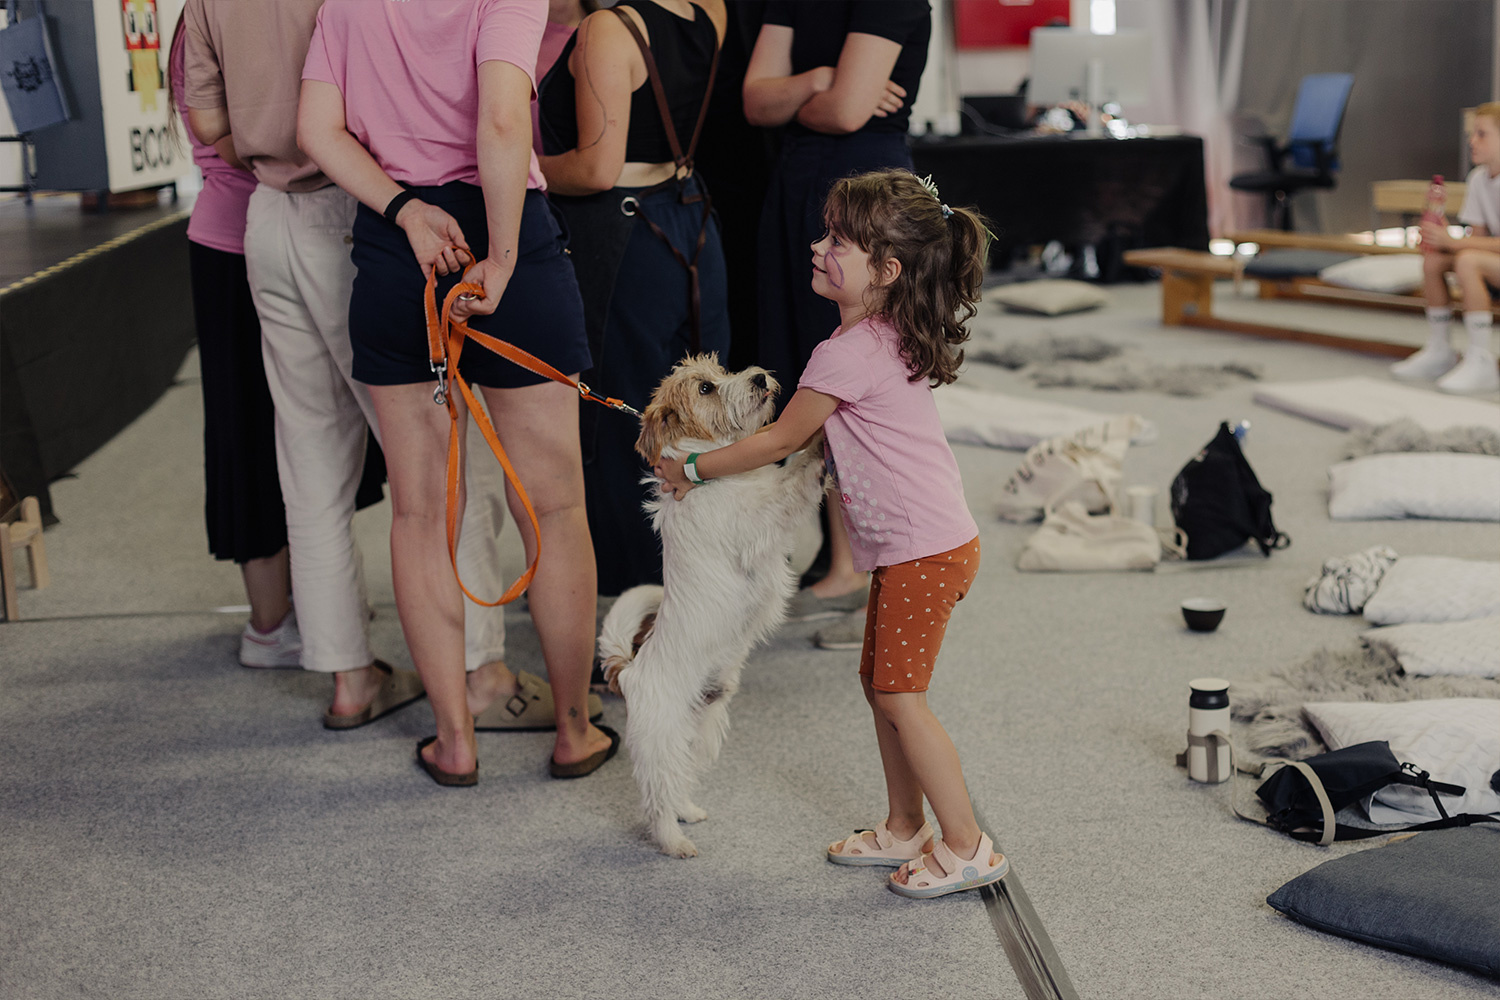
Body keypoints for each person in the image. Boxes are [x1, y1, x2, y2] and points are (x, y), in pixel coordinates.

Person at [655, 169, 1007, 898]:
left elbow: (780, 440)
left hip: (924, 552)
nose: (818, 247)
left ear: (887, 271)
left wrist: (691, 465)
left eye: (838, 241)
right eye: (825, 233)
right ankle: (904, 825)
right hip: (921, 546)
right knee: (880, 688)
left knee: (901, 698)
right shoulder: (878, 334)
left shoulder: (844, 354)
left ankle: (967, 845)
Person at [183, 2, 529, 735]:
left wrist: (270, 137)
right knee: (444, 452)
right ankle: (480, 670)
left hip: (268, 214)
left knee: (309, 456)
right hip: (365, 206)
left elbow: (209, 122)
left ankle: (347, 676)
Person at [297, 0, 614, 785]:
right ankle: (574, 730)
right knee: (552, 506)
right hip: (510, 237)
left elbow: (317, 131)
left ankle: (454, 741)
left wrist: (406, 211)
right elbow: (501, 121)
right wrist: (501, 258)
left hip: (398, 240)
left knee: (419, 514)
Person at [741, 0, 931, 623]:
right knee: (807, 363)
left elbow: (847, 112)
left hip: (867, 192)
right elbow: (756, 104)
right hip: (799, 180)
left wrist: (800, 94)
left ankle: (869, 565)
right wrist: (819, 81)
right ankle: (842, 556)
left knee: (861, 373)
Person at [537, 0, 731, 595]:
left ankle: (639, 599)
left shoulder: (609, 29)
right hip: (691, 224)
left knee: (624, 421)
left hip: (627, 241)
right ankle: (695, 585)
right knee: (698, 420)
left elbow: (597, 169)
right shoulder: (711, 9)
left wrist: (515, 164)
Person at [167, 17, 296, 667]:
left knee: (304, 432)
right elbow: (229, 138)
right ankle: (270, 624)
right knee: (249, 431)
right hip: (237, 245)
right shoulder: (209, 18)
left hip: (278, 234)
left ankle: (304, 602)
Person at [1395, 102, 1500, 394]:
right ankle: (1440, 349)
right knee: (1433, 261)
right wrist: (1439, 238)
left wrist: (1455, 243)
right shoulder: (1478, 179)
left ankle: (1482, 359)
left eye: (1482, 134)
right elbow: (1478, 239)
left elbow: (1472, 249)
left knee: (1467, 260)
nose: (1472, 141)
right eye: (1471, 134)